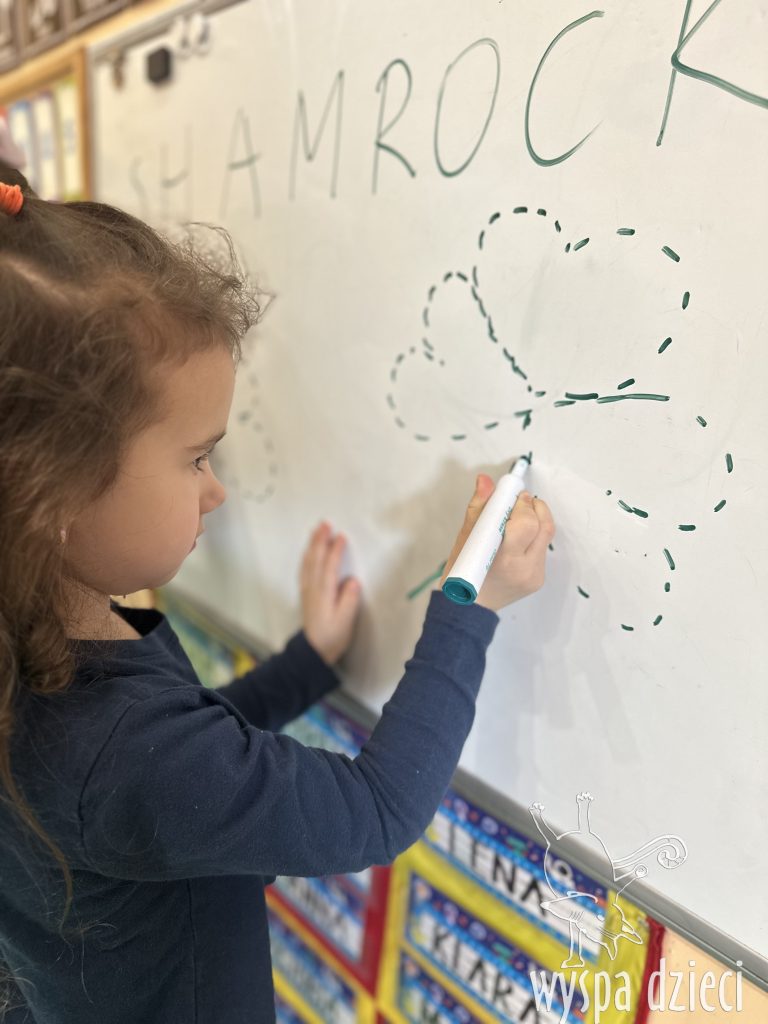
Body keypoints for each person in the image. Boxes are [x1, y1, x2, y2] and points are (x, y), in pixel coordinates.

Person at [0, 163, 555, 1023]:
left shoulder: (49, 652)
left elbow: (188, 751)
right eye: (195, 457)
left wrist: (306, 664)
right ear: (55, 492)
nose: (215, 489)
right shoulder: (111, 749)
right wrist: (468, 602)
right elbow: (377, 808)